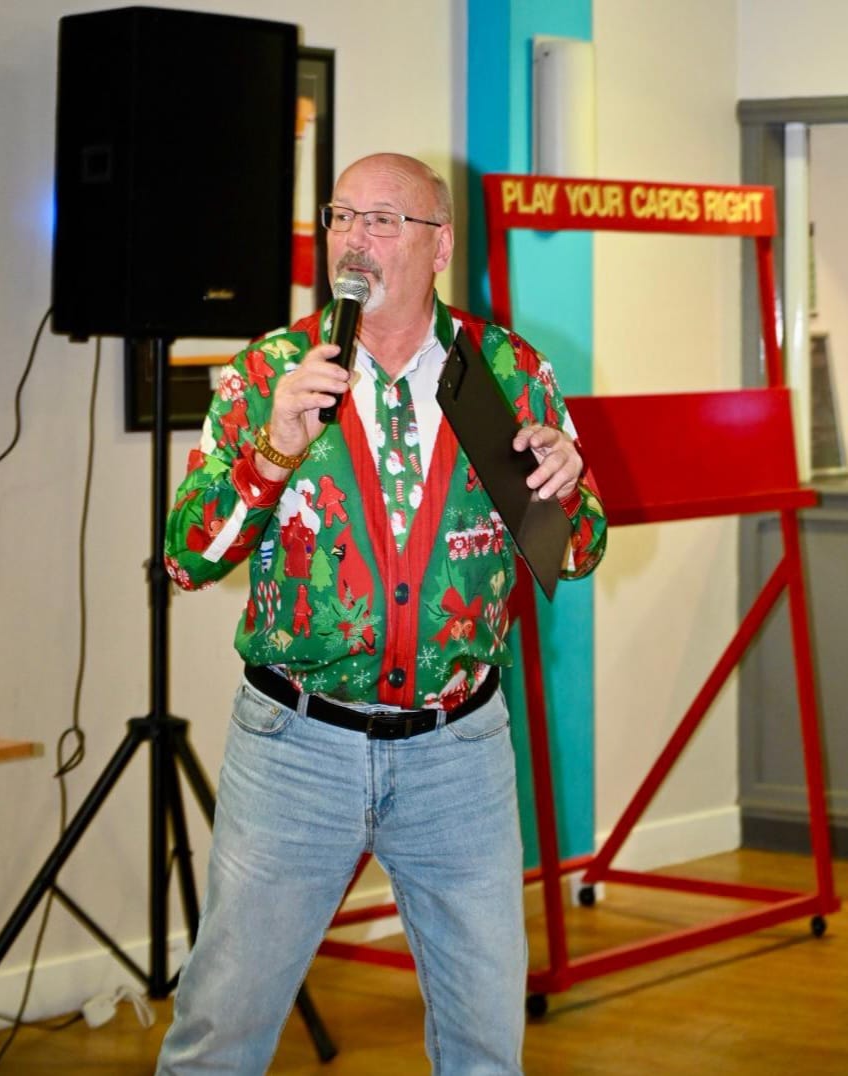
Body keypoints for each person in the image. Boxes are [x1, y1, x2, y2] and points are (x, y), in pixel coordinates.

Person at [156, 153, 606, 1075]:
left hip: (458, 755)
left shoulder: (509, 372)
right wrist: (272, 452)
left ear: (440, 246)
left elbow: (576, 550)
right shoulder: (270, 372)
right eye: (341, 216)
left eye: (383, 220)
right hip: (294, 748)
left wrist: (569, 489)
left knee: (485, 1045)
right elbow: (186, 559)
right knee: (218, 1038)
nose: (354, 239)